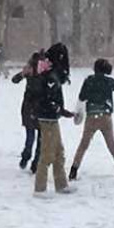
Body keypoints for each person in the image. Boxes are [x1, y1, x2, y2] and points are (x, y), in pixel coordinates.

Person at [70, 59, 114, 183]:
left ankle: (73, 170)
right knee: (112, 146)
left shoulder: (89, 81)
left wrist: (79, 111)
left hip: (91, 116)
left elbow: (82, 97)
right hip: (106, 117)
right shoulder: (108, 81)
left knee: (83, 145)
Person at [29, 54, 76, 195]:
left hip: (51, 118)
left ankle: (61, 184)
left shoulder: (48, 75)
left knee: (58, 153)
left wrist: (61, 111)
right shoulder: (49, 77)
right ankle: (40, 188)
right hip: (48, 119)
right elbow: (48, 99)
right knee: (47, 154)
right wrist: (59, 110)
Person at [11, 50, 44, 171]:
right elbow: (15, 79)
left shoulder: (32, 72)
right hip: (39, 107)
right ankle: (34, 161)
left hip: (30, 107)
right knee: (39, 137)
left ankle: (28, 157)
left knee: (31, 136)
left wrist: (23, 74)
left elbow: (15, 80)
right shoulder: (44, 73)